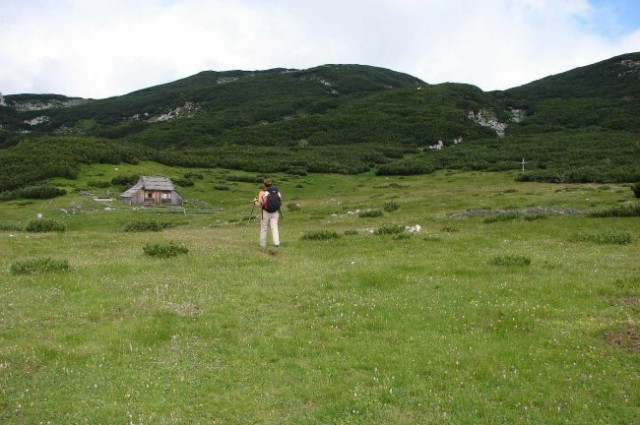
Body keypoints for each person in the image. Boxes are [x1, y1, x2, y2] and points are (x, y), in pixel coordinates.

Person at [254, 178, 281, 248]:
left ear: (264, 184)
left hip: (265, 212)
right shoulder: (277, 191)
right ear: (271, 184)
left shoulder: (262, 192)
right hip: (275, 212)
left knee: (264, 228)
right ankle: (276, 243)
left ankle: (262, 244)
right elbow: (280, 202)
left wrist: (254, 201)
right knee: (274, 227)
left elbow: (259, 205)